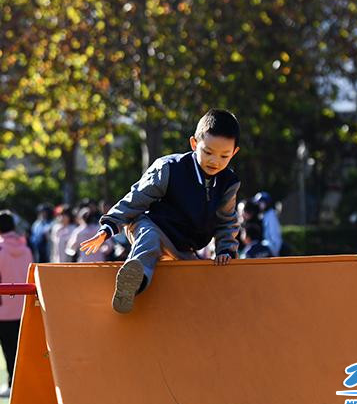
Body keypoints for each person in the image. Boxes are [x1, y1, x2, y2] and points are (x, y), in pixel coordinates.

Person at [80, 109, 241, 313]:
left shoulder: (228, 183)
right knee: (150, 239)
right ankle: (133, 284)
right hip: (151, 224)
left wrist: (226, 250)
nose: (215, 161)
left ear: (234, 152)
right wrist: (108, 227)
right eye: (208, 152)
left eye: (224, 156)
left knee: (195, 275)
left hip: (182, 245)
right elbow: (136, 199)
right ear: (194, 144)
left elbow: (226, 220)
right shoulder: (169, 168)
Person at [0, 210, 33, 398]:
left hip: (2, 307)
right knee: (23, 349)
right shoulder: (26, 247)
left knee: (8, 349)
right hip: (25, 305)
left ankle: (13, 384)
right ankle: (24, 384)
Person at [253, 192, 282, 257]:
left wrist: (274, 250)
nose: (258, 205)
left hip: (271, 247)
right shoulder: (265, 214)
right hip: (268, 246)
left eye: (260, 203)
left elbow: (274, 235)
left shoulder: (271, 215)